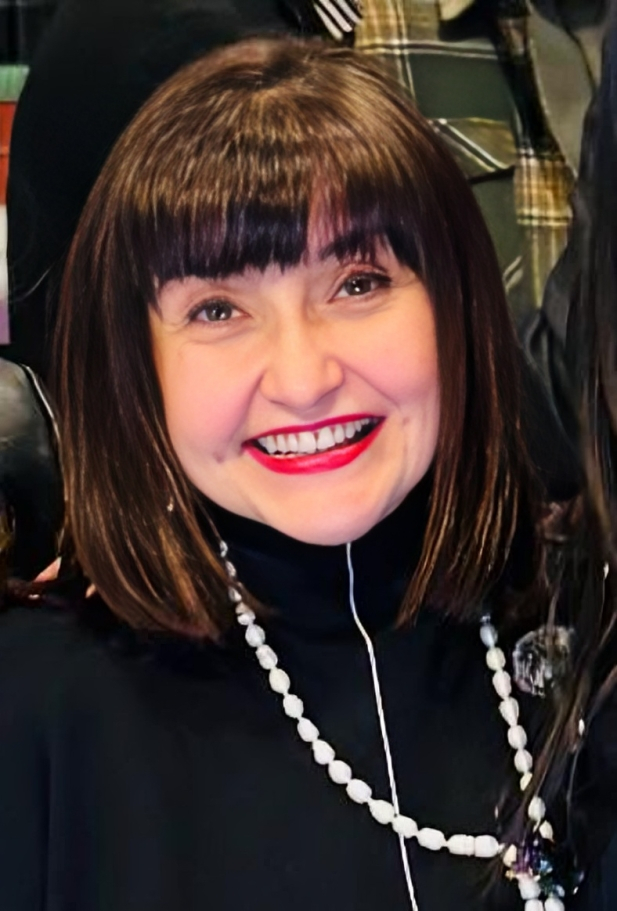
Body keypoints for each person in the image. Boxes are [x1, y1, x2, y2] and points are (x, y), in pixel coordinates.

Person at [0, 37, 612, 910]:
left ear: (458, 304)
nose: (302, 378)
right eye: (217, 308)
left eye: (357, 283)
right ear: (134, 366)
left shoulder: (588, 632)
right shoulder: (39, 711)